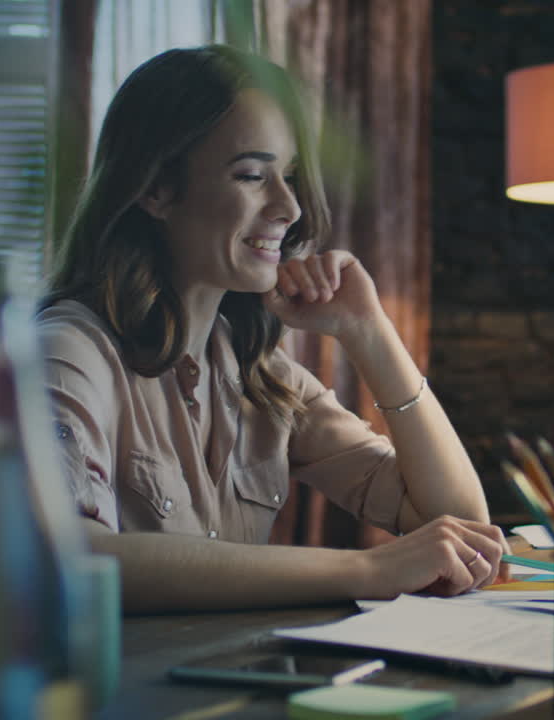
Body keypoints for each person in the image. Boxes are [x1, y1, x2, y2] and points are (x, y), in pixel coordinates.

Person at [38, 45, 507, 613]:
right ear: (155, 189)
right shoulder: (69, 353)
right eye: (253, 175)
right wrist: (365, 568)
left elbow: (458, 528)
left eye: (289, 177)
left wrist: (370, 333)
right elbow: (69, 561)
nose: (290, 207)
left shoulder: (261, 376)